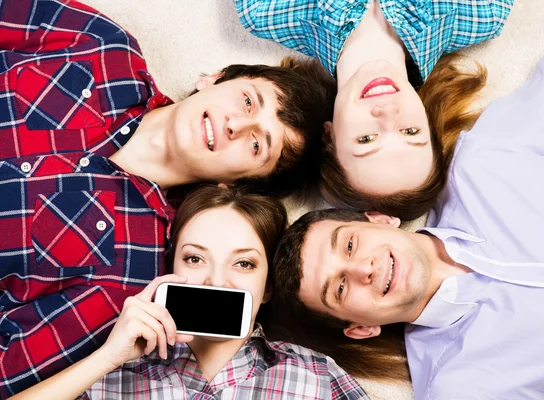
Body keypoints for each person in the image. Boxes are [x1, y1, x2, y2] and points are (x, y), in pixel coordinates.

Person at [0, 0, 333, 396]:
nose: (235, 125)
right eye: (248, 101)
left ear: (239, 184)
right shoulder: (104, 45)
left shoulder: (131, 278)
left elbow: (8, 365)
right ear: (217, 77)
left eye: (258, 145)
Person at [270, 23, 544, 399]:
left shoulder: (483, 166)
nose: (363, 269)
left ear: (379, 219)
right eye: (340, 288)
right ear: (361, 328)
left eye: (349, 246)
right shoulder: (459, 385)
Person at [9, 184, 368, 400]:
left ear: (267, 288)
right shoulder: (111, 377)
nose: (215, 281)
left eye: (243, 264)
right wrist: (107, 358)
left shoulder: (316, 376)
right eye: (195, 259)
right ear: (172, 271)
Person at [234, 0, 512, 220]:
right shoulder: (485, 12)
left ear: (328, 135)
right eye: (411, 131)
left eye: (366, 139)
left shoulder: (262, 11)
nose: (388, 112)